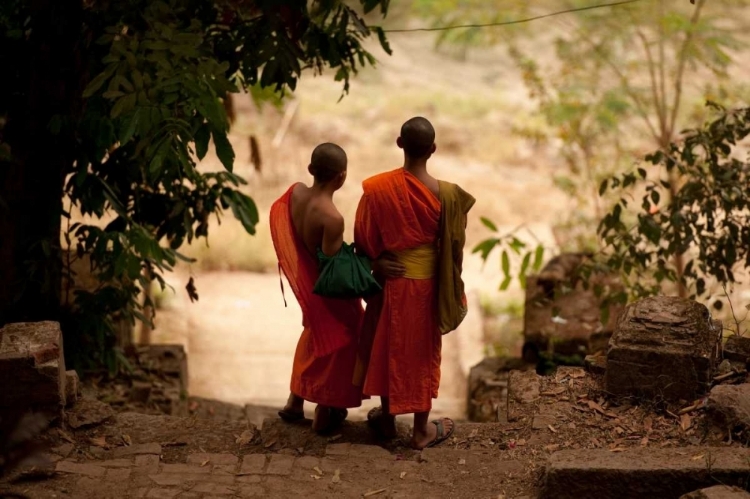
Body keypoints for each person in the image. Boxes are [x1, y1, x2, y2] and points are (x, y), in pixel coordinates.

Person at [354, 117, 475, 449]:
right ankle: (421, 429)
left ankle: (388, 420)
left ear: (399, 143)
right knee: (421, 355)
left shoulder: (378, 190)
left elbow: (363, 238)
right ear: (433, 149)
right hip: (427, 288)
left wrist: (378, 262)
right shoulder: (448, 195)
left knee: (387, 346)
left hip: (390, 283)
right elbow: (453, 247)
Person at [269, 142, 402, 433]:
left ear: (310, 170)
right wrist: (373, 266)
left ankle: (295, 401)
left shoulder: (295, 193)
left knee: (314, 334)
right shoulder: (331, 217)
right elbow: (335, 267)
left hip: (308, 282)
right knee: (342, 339)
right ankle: (325, 410)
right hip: (328, 290)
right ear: (341, 178)